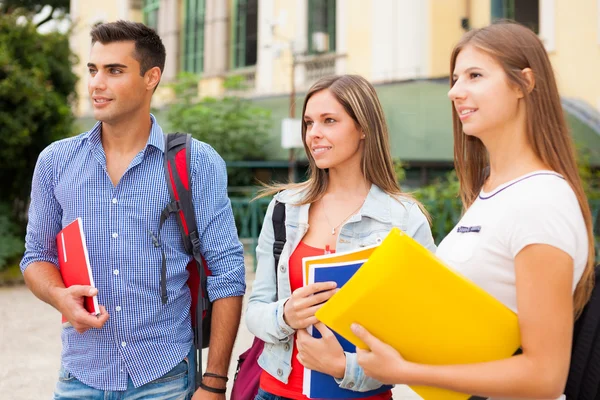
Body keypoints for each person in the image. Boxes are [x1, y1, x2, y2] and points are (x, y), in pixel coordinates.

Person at [350, 21, 597, 400]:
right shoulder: (491, 192)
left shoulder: (541, 201)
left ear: (524, 83)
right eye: (454, 78)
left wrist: (405, 371)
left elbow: (544, 376)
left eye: (474, 76)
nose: (454, 91)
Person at [20, 21, 245, 400]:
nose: (96, 83)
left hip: (166, 377)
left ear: (151, 77)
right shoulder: (55, 161)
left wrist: (214, 382)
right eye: (93, 70)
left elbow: (228, 272)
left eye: (114, 70)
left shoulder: (196, 162)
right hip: (79, 376)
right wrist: (59, 296)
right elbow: (36, 257)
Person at [245, 74, 437, 400]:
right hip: (276, 392)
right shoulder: (284, 209)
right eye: (309, 123)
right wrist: (286, 314)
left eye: (329, 121)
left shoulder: (405, 220)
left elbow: (424, 333)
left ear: (363, 128)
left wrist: (345, 367)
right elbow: (255, 310)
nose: (314, 134)